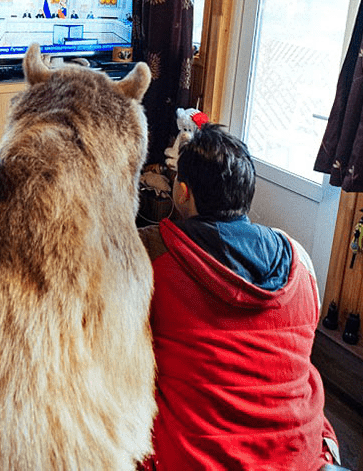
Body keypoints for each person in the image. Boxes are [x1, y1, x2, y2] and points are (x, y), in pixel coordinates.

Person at [138, 123, 339, 470]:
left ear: (183, 192)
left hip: (196, 457)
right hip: (301, 454)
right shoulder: (299, 260)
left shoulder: (150, 256)